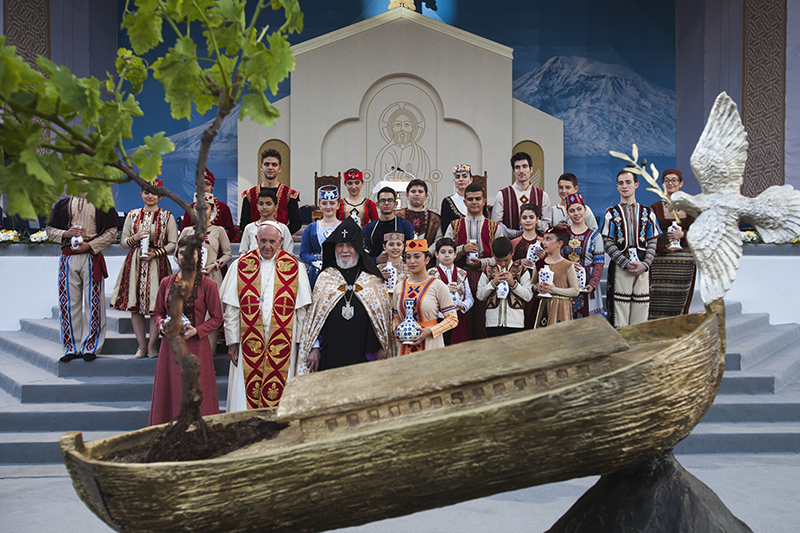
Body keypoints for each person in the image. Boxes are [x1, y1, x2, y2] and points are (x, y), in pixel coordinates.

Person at [219, 223, 312, 410]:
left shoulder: (295, 267)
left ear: (281, 241)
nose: (267, 246)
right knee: (245, 391)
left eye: (272, 241)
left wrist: (301, 345)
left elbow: (301, 312)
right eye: (262, 241)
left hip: (284, 342)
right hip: (248, 341)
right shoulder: (240, 265)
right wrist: (232, 341)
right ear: (255, 240)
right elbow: (232, 309)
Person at [297, 217, 395, 373]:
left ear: (358, 248)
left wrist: (381, 346)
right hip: (330, 353)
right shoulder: (325, 278)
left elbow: (382, 319)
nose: (344, 250)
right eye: (340, 245)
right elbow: (314, 319)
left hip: (364, 355)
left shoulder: (373, 280)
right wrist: (314, 348)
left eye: (350, 245)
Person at [148, 238, 223, 425]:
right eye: (182, 252)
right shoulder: (166, 283)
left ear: (198, 256)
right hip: (170, 349)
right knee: (172, 391)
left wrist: (197, 330)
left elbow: (217, 318)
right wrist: (161, 325)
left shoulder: (208, 285)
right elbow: (157, 312)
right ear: (177, 255)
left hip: (196, 348)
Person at [46, 191, 121, 362]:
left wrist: (91, 245)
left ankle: (91, 346)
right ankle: (71, 347)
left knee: (93, 302)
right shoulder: (62, 204)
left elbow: (111, 231)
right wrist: (66, 233)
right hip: (68, 257)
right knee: (68, 302)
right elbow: (50, 230)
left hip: (91, 256)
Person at [110, 181, 178, 358]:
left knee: (157, 305)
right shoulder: (132, 215)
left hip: (157, 263)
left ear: (160, 196)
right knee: (135, 306)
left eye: (154, 193)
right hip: (136, 262)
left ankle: (152, 345)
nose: (150, 196)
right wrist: (136, 237)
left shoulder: (167, 216)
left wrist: (156, 253)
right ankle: (141, 345)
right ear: (141, 194)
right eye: (146, 192)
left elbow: (173, 243)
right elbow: (123, 242)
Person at [601, 169, 661, 327]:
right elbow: (607, 242)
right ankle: (620, 342)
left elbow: (652, 240)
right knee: (618, 310)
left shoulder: (648, 212)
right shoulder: (610, 213)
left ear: (636, 185)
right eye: (621, 183)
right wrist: (624, 262)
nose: (624, 186)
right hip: (620, 267)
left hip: (643, 267)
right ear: (617, 187)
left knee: (641, 309)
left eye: (628, 182)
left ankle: (638, 342)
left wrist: (646, 264)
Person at [444, 183, 503, 340]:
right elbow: (444, 255)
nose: (474, 202)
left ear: (484, 201)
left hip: (487, 278)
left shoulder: (494, 227)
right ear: (464, 202)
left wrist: (482, 263)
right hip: (460, 278)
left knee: (483, 319)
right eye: (470, 199)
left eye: (478, 199)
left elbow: (502, 259)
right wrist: (462, 249)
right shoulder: (454, 226)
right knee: (463, 321)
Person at [393, 238, 458, 355]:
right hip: (405, 345)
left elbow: (452, 319)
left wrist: (430, 331)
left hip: (431, 343)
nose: (412, 261)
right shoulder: (399, 288)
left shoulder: (438, 286)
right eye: (408, 257)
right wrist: (396, 329)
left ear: (427, 260)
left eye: (417, 257)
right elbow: (396, 317)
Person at [648, 169, 697, 319]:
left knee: (681, 297)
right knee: (657, 298)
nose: (670, 183)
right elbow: (648, 235)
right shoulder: (655, 208)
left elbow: (700, 232)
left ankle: (679, 323)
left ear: (681, 183)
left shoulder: (691, 208)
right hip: (660, 259)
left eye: (674, 180)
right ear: (663, 184)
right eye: (667, 180)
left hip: (685, 260)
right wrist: (662, 248)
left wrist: (683, 235)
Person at [476, 237, 533, 337]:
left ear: (512, 253)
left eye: (506, 260)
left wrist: (513, 284)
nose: (502, 264)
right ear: (493, 255)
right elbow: (480, 295)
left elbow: (528, 296)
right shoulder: (487, 270)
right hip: (493, 322)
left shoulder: (522, 270)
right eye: (498, 260)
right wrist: (493, 283)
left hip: (515, 322)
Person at [561, 193, 605, 319]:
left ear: (585, 210)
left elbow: (599, 262)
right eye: (572, 211)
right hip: (566, 282)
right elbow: (555, 257)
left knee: (588, 324)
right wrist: (566, 264)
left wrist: (593, 283)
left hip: (588, 283)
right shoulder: (562, 235)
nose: (576, 213)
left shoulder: (595, 236)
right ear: (567, 213)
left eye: (579, 209)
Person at [239, 148, 301, 235]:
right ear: (261, 167)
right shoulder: (250, 195)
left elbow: (296, 223)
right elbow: (244, 223)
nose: (270, 167)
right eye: (267, 164)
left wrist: (280, 234)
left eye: (274, 164)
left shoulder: (289, 194)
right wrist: (257, 235)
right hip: (256, 239)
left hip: (281, 240)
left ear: (280, 168)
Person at [492, 152, 551, 237]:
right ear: (513, 171)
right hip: (510, 243)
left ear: (531, 169)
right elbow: (496, 225)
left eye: (524, 166)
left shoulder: (542, 196)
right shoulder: (502, 195)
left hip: (536, 243)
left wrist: (533, 221)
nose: (521, 171)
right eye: (517, 167)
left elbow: (547, 225)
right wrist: (515, 233)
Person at [428, 237, 473, 345]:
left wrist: (462, 306)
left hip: (458, 316)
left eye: (450, 252)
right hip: (438, 317)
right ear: (437, 254)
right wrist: (444, 290)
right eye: (443, 252)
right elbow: (427, 296)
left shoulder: (462, 273)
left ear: (455, 254)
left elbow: (469, 297)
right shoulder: (430, 274)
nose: (447, 255)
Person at [533, 230, 580, 328]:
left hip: (561, 307)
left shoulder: (567, 265)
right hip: (542, 306)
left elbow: (575, 291)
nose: (544, 242)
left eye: (548, 239)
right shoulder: (538, 264)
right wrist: (537, 287)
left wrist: (554, 290)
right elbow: (532, 284)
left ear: (559, 243)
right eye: (544, 239)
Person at [300, 185, 342, 289]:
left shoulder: (345, 227)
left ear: (338, 205)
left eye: (332, 203)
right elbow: (304, 253)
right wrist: (316, 261)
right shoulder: (310, 228)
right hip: (317, 273)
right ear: (319, 205)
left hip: (340, 272)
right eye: (324, 203)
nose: (328, 206)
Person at [180, 168, 237, 242]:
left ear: (213, 186)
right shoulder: (190, 209)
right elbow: (183, 233)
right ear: (195, 185)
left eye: (207, 184)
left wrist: (217, 240)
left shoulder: (223, 207)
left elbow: (230, 232)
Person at [511, 204, 544, 330]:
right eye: (524, 218)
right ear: (520, 220)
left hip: (539, 287)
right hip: (519, 288)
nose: (528, 221)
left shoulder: (544, 242)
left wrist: (544, 257)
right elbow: (506, 265)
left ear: (537, 219)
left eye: (531, 217)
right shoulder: (514, 242)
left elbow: (552, 264)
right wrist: (519, 262)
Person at [362, 187, 415, 262]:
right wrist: (376, 260)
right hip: (376, 268)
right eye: (383, 200)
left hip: (402, 268)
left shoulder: (406, 226)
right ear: (377, 204)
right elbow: (363, 255)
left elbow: (413, 252)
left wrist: (401, 262)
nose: (386, 203)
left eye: (390, 200)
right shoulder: (369, 229)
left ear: (396, 204)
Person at [240, 188, 294, 255]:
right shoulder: (249, 227)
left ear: (276, 207)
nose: (264, 207)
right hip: (252, 261)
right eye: (261, 204)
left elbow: (289, 253)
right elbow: (243, 252)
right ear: (257, 206)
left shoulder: (283, 228)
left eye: (268, 204)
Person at [177, 224, 232, 290]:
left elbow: (228, 254)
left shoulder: (219, 230)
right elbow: (177, 254)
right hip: (188, 275)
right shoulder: (187, 230)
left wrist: (215, 264)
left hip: (212, 274)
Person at [395, 179, 442, 253]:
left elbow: (438, 240)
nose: (417, 194)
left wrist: (427, 253)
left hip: (428, 258)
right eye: (413, 191)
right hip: (401, 257)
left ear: (426, 196)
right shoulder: (396, 215)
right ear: (407, 195)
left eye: (420, 192)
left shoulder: (435, 218)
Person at [439, 164, 473, 234]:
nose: (461, 179)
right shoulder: (447, 202)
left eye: (464, 176)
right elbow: (445, 228)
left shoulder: (479, 200)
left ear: (471, 179)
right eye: (457, 177)